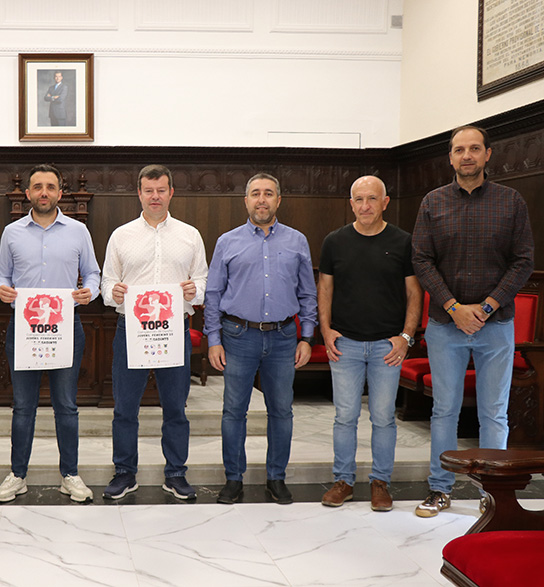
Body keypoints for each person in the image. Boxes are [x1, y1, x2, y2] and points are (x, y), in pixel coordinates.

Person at [412, 125, 534, 517]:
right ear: (450, 157)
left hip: (495, 325)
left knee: (493, 411)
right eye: (459, 149)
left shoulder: (510, 201)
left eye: (474, 149)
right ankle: (440, 488)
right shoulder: (432, 202)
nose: (466, 155)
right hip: (445, 325)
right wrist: (453, 307)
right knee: (443, 409)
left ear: (487, 155)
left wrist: (485, 308)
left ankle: (493, 493)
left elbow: (523, 261)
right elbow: (422, 260)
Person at [204, 173, 316, 505]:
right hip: (237, 336)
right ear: (246, 201)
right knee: (233, 411)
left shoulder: (297, 241)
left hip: (284, 338)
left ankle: (276, 477)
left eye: (268, 194)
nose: (262, 199)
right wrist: (213, 339)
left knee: (281, 411)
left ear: (278, 200)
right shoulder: (227, 241)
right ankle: (233, 479)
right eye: (255, 194)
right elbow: (213, 294)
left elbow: (308, 294)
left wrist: (307, 337)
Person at [0, 164, 100, 503]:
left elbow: (93, 274)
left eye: (50, 187)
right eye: (37, 186)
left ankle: (70, 474)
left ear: (59, 192)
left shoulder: (78, 231)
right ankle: (18, 475)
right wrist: (2, 290)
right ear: (27, 193)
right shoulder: (11, 232)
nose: (44, 192)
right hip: (24, 328)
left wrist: (90, 292)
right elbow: (0, 277)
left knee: (66, 405)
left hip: (67, 327)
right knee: (23, 406)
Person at [101, 164, 208, 500]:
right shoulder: (121, 235)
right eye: (149, 191)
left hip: (174, 328)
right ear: (140, 193)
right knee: (125, 407)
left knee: (175, 407)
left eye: (161, 190)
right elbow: (107, 283)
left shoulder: (189, 235)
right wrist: (113, 293)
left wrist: (195, 291)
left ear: (171, 192)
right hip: (130, 329)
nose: (155, 196)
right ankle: (124, 472)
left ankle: (175, 474)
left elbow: (203, 280)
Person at [318, 175, 422, 512]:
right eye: (359, 200)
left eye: (372, 199)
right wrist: (326, 330)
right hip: (345, 343)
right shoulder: (335, 241)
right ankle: (344, 480)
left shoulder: (404, 241)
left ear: (385, 202)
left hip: (387, 348)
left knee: (383, 418)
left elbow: (413, 292)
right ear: (351, 204)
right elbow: (325, 289)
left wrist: (406, 337)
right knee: (345, 417)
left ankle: (380, 482)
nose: (365, 206)